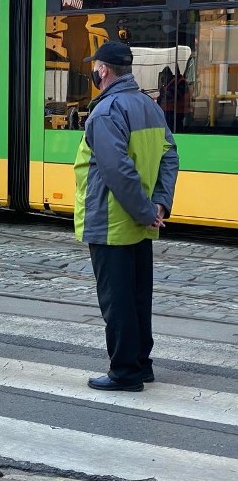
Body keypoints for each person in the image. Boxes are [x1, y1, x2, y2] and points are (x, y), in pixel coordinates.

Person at [75, 41, 179, 392]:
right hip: (141, 223)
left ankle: (125, 372)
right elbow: (169, 155)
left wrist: (147, 211)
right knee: (137, 296)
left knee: (117, 300)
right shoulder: (149, 107)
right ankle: (141, 363)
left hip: (111, 222)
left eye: (95, 66)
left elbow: (116, 170)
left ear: (103, 70)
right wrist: (160, 204)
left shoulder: (106, 112)